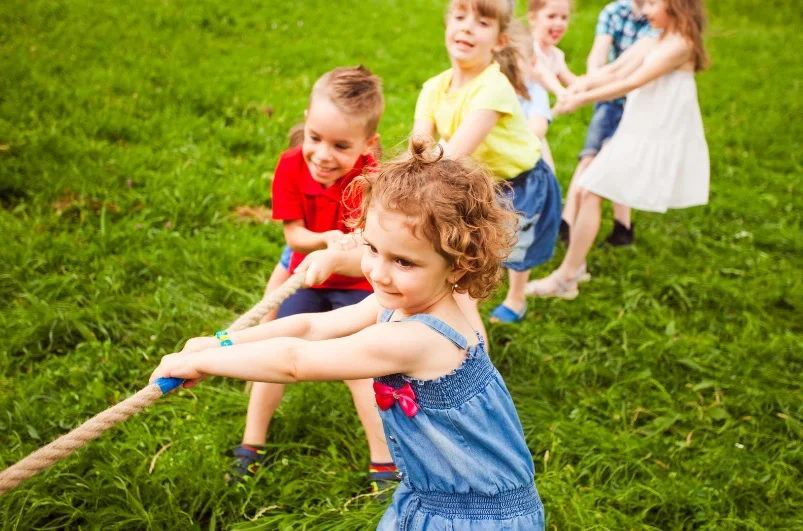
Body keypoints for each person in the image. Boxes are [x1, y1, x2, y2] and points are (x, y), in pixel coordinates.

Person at [150, 139, 546, 530]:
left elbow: (295, 362)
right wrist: (221, 342)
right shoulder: (401, 302)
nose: (378, 272)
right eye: (372, 249)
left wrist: (200, 362)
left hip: (477, 517)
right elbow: (311, 327)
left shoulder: (421, 339)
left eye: (404, 261)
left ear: (457, 268)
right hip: (430, 496)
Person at [230, 65, 398, 491]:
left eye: (341, 146)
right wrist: (323, 240)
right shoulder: (290, 165)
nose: (323, 155)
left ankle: (383, 464)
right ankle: (251, 445)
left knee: (361, 371)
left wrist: (347, 249)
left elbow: (373, 242)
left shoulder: (372, 178)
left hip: (358, 285)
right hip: (306, 276)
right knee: (272, 352)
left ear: (368, 144)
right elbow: (293, 235)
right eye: (315, 138)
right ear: (306, 120)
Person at [527, 0, 710, 299]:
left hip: (654, 135)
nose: (645, 10)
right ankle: (572, 272)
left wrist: (580, 100)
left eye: (652, 3)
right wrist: (573, 88)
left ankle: (567, 276)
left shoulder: (681, 45)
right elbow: (612, 72)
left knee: (589, 189)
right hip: (635, 129)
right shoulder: (653, 39)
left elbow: (632, 82)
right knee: (588, 190)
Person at [413, 0, 562, 325]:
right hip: (476, 180)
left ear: (499, 41)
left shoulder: (495, 88)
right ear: (447, 23)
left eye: (482, 22)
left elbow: (451, 156)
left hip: (520, 183)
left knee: (515, 252)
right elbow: (420, 147)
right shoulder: (433, 88)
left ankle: (516, 297)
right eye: (460, 16)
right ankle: (464, 309)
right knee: (473, 253)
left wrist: (420, 175)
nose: (467, 26)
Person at [559, 0, 658, 247]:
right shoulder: (615, 11)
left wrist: (585, 90)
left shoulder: (659, 18)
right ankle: (568, 222)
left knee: (618, 161)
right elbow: (599, 55)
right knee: (590, 155)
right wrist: (594, 78)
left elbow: (626, 74)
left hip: (640, 104)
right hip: (609, 99)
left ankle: (621, 226)